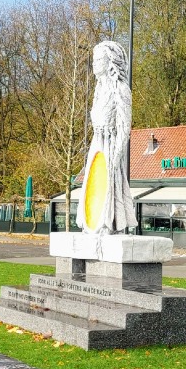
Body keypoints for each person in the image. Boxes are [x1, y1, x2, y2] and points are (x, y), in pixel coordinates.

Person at [77, 40, 138, 234]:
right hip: (97, 141)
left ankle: (107, 223)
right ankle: (91, 222)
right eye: (93, 59)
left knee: (109, 182)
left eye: (98, 59)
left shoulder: (120, 89)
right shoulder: (98, 90)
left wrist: (117, 154)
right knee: (94, 182)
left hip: (110, 143)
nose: (94, 63)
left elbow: (124, 126)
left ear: (110, 62)